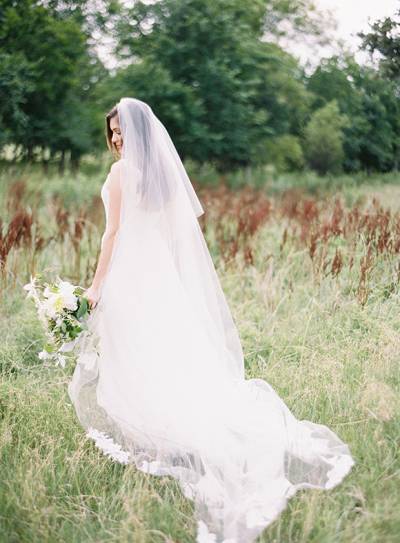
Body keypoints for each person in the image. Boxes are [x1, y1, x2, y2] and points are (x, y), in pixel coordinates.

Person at [69, 97, 354, 543]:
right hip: (156, 273)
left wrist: (96, 286)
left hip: (131, 274)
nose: (117, 140)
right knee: (157, 349)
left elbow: (113, 233)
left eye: (122, 132)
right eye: (113, 134)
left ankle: (158, 431)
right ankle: (164, 428)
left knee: (135, 351)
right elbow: (163, 233)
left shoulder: (122, 172)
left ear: (139, 134)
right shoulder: (157, 176)